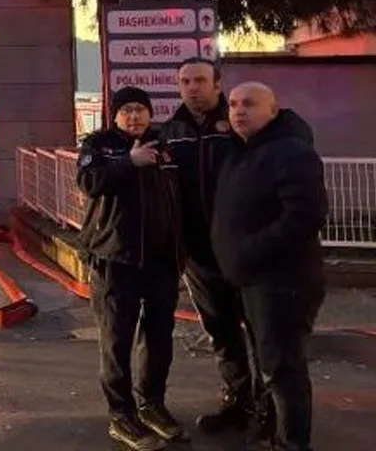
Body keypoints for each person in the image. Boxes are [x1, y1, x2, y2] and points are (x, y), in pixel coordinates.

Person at [213, 82, 328, 451]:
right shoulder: (242, 152)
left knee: (283, 369)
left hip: (281, 281)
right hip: (251, 279)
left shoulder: (291, 153)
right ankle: (270, 435)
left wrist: (249, 251)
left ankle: (293, 443)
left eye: (249, 104)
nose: (238, 111)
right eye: (232, 104)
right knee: (268, 362)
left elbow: (304, 216)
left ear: (274, 110)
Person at [76, 87, 187, 451]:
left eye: (141, 110)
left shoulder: (165, 144)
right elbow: (89, 183)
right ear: (115, 115)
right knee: (116, 339)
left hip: (161, 262)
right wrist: (129, 162)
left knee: (158, 338)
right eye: (127, 110)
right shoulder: (99, 145)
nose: (135, 116)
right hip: (115, 260)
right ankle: (121, 415)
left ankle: (152, 404)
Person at [157, 57, 252, 433]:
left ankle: (270, 408)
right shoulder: (169, 131)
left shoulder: (238, 127)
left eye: (200, 80)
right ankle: (238, 402)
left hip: (244, 249)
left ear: (217, 85)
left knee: (262, 330)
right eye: (185, 81)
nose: (192, 87)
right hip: (196, 253)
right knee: (222, 330)